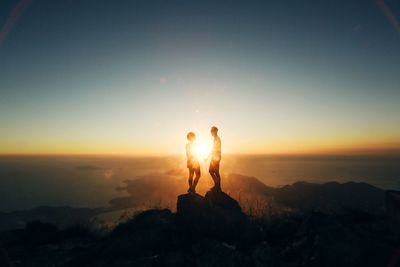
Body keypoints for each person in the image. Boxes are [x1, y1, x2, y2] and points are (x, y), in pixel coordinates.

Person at [208, 126, 221, 191]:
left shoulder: (217, 139)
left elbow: (215, 149)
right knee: (215, 172)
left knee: (212, 171)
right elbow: (213, 149)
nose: (211, 133)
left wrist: (209, 157)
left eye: (211, 131)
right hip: (215, 157)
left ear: (215, 131)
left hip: (216, 158)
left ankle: (217, 186)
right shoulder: (216, 139)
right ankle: (217, 186)